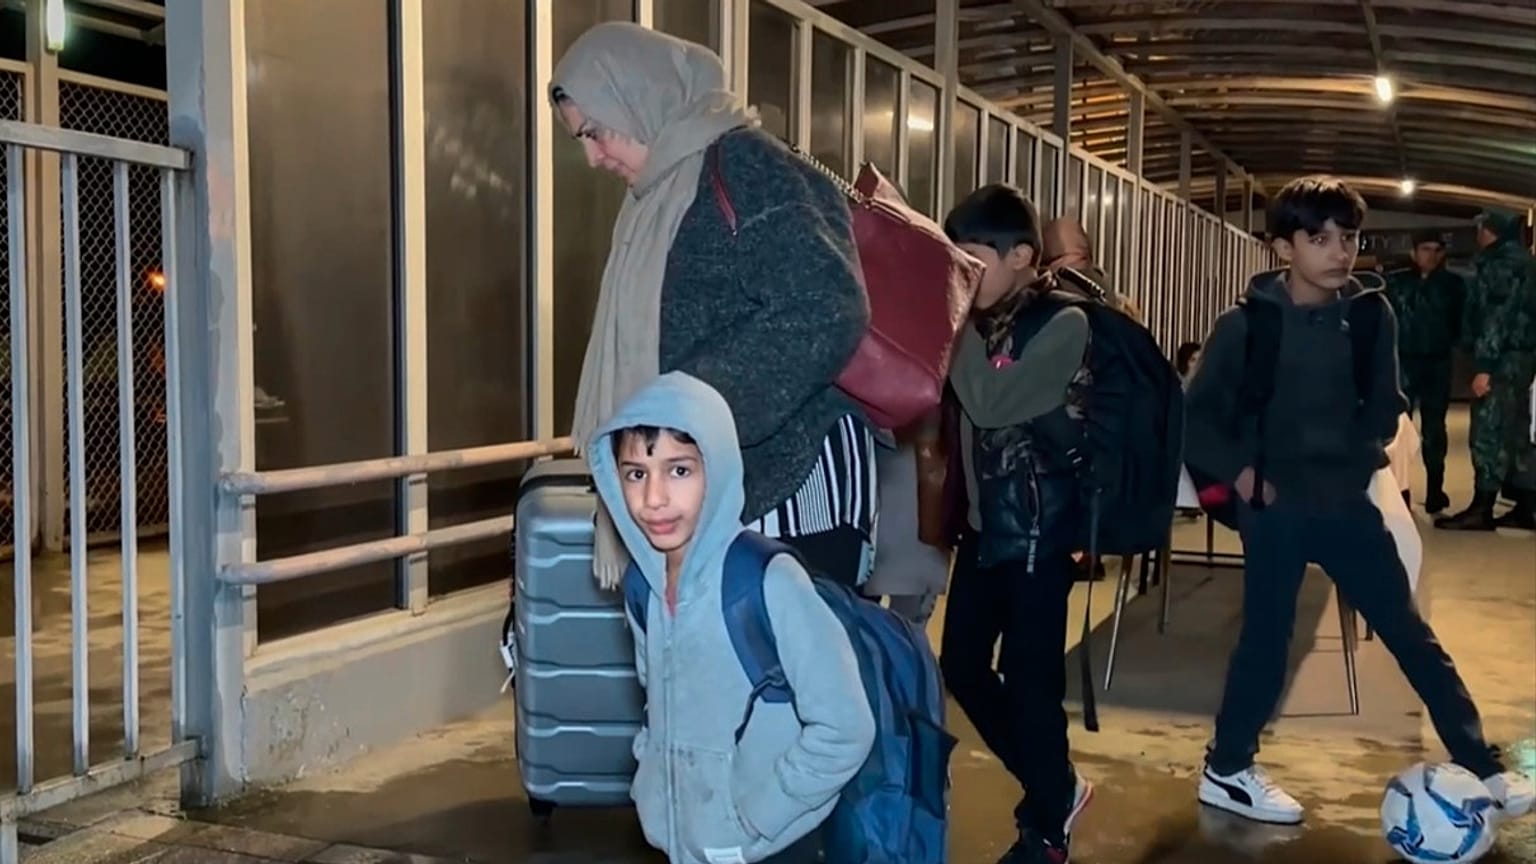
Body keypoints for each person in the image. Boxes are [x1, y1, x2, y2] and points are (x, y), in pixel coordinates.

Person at [1185, 176, 1534, 826]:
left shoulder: (1373, 314)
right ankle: (1227, 768)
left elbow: (1387, 401)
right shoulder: (1245, 325)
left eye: (1348, 237)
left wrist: (1362, 449)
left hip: (1347, 503)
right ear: (1282, 246)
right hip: (1276, 508)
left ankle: (1483, 765)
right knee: (1266, 639)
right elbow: (1198, 418)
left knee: (1409, 634)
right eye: (1319, 239)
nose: (1338, 251)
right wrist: (1244, 477)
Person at [551, 23, 877, 591]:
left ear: (639, 97)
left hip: (789, 487)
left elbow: (828, 306)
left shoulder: (748, 167)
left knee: (785, 675)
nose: (593, 158)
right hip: (719, 486)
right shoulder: (660, 196)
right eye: (581, 138)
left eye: (597, 132)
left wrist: (686, 406)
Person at [590, 371, 875, 864]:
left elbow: (845, 728)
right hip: (687, 844)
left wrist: (755, 819)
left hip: (771, 846)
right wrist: (650, 782)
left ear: (718, 469)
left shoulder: (765, 580)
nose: (654, 498)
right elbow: (657, 704)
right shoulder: (644, 586)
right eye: (636, 473)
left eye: (679, 471)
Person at [938, 185, 1095, 864]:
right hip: (982, 531)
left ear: (1023, 256)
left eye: (972, 259)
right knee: (964, 668)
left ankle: (1045, 830)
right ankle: (1057, 786)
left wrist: (953, 327)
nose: (962, 274)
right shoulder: (986, 323)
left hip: (1040, 532)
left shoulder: (1067, 324)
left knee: (1032, 686)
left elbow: (994, 401)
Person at [1436, 209, 1536, 531]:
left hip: (1502, 359)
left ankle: (1482, 508)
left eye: (1480, 227)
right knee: (1517, 431)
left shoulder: (1500, 265)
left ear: (1490, 230)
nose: (1477, 233)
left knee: (1488, 432)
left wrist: (1485, 367)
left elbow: (1496, 317)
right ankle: (1527, 506)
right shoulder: (1523, 261)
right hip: (1521, 358)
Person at [1384, 230, 1465, 514]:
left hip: (1436, 362)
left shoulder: (1453, 286)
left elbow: (1459, 323)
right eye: (1425, 249)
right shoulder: (1396, 283)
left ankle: (1434, 490)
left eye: (1435, 250)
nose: (1430, 255)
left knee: (1434, 430)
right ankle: (1398, 491)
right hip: (1403, 361)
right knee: (1397, 431)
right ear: (1414, 252)